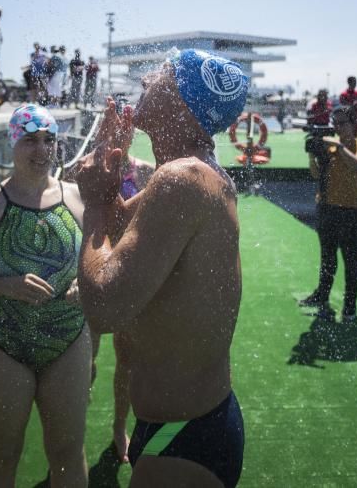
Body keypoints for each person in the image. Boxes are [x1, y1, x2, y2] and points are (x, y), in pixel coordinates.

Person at [76, 49, 249, 487]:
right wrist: (109, 174)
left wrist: (95, 200)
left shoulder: (183, 179)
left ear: (182, 102)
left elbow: (103, 308)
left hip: (184, 434)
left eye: (164, 74)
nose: (148, 77)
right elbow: (124, 228)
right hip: (191, 424)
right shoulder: (193, 174)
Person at [0, 104, 91, 488]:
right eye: (30, 140)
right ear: (13, 142)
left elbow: (98, 262)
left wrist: (85, 284)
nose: (41, 150)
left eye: (49, 140)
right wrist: (4, 285)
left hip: (68, 340)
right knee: (1, 455)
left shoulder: (78, 199)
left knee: (68, 452)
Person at [299, 105, 357, 321]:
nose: (337, 127)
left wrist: (338, 147)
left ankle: (349, 307)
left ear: (353, 124)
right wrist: (312, 156)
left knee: (350, 259)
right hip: (327, 208)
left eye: (342, 123)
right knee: (327, 258)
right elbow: (316, 175)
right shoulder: (329, 148)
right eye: (335, 123)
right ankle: (322, 295)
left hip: (351, 210)